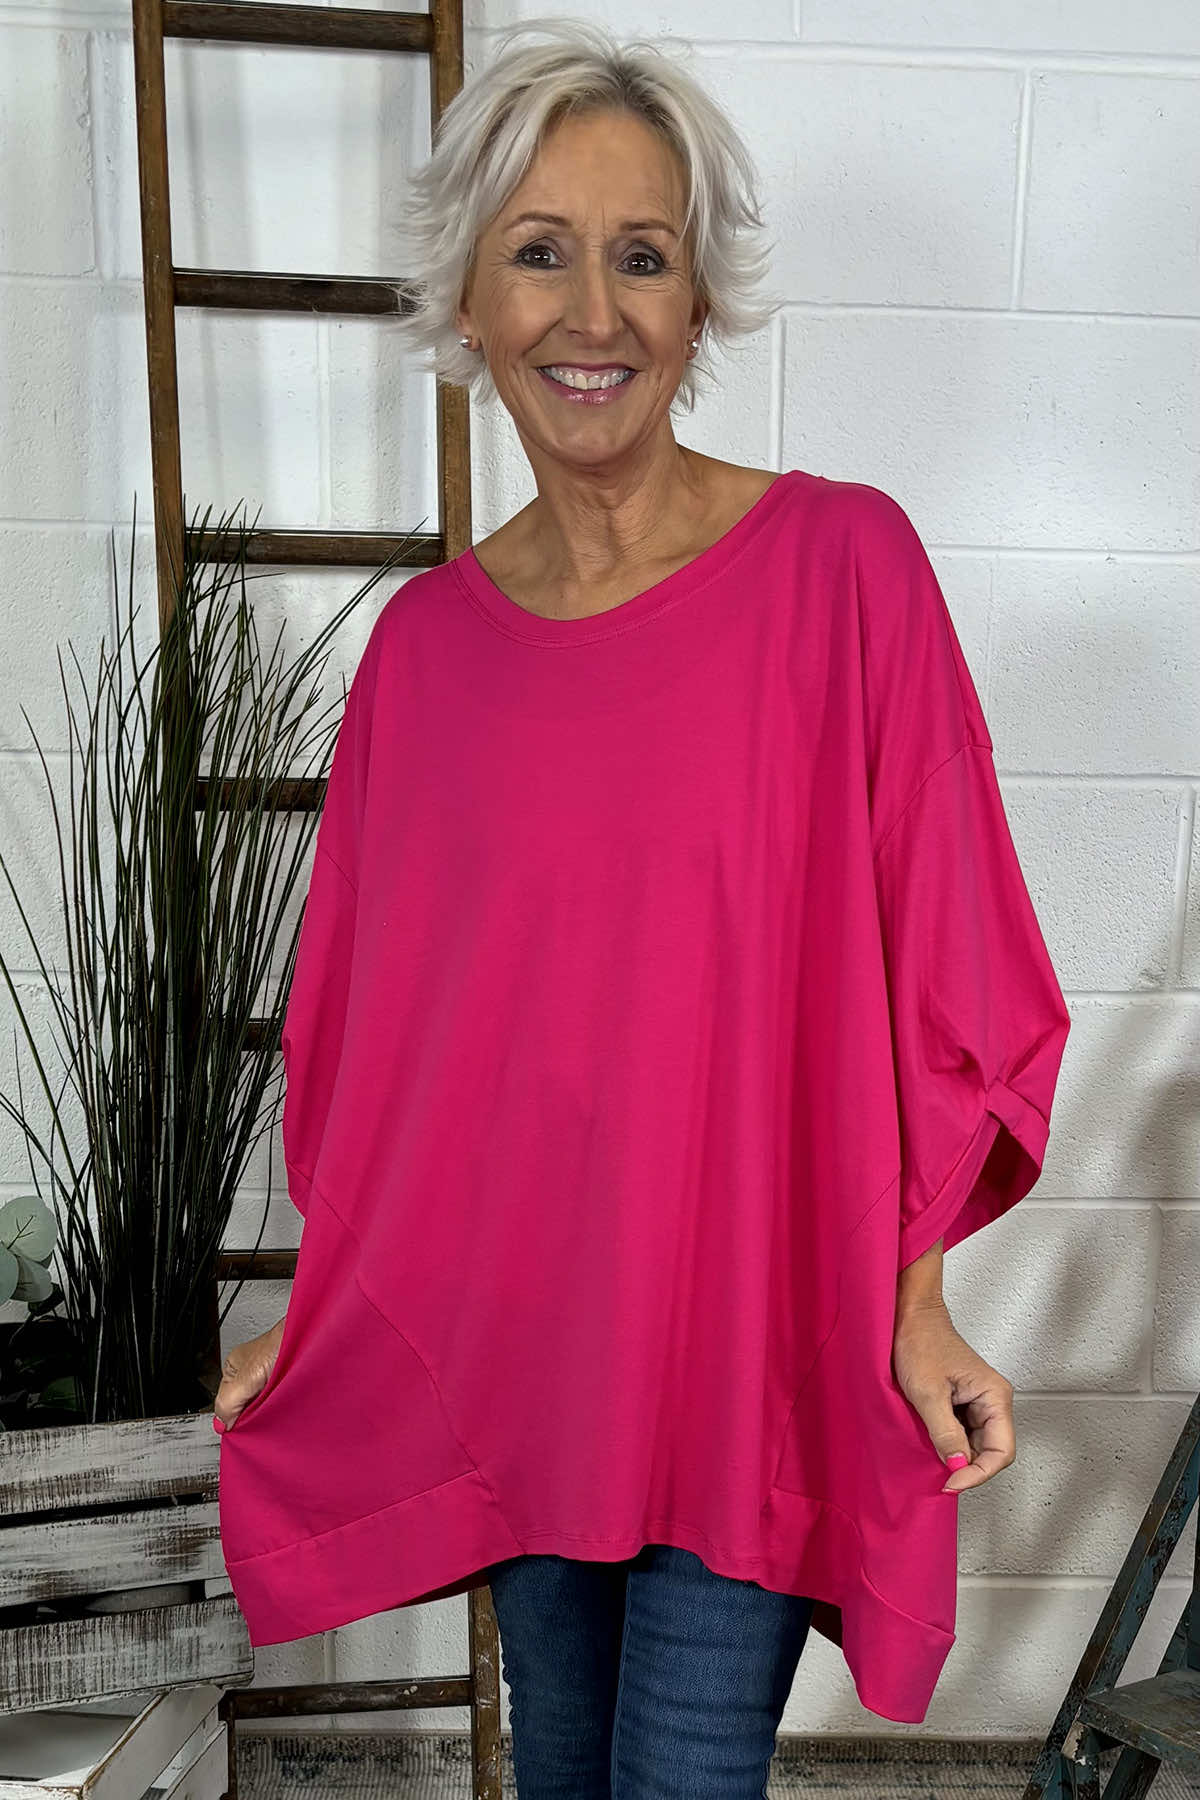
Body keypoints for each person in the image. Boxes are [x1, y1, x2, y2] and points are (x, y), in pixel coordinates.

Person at [214, 17, 1071, 1794]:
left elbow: (956, 980)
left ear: (698, 305)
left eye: (643, 256)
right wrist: (330, 1317)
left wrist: (914, 1297)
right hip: (527, 1359)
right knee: (564, 1774)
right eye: (539, 252)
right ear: (468, 299)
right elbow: (374, 1059)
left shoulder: (845, 573)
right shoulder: (424, 660)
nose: (590, 312)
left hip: (752, 1355)